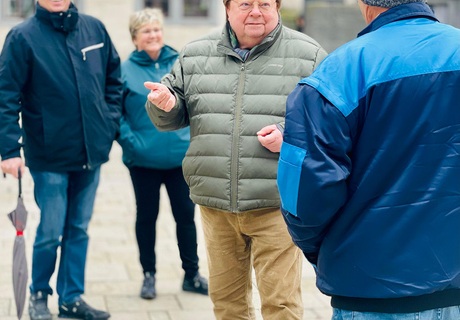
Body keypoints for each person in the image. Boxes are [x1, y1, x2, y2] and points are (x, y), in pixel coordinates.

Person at [144, 0, 327, 318]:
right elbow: (174, 109)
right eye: (245, 3)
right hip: (216, 206)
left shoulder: (308, 54)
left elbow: (329, 119)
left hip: (276, 203)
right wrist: (165, 103)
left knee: (281, 304)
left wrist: (290, 135)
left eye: (265, 4)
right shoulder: (195, 53)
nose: (256, 11)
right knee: (227, 303)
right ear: (227, 9)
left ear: (278, 7)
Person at [278, 0, 460, 318]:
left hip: (373, 288)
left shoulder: (340, 72)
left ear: (364, 4)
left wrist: (327, 251)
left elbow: (304, 191)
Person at [0, 0, 122, 319]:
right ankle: (39, 294)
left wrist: (108, 123)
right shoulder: (22, 37)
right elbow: (4, 96)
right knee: (51, 229)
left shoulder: (95, 28)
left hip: (91, 150)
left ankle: (71, 298)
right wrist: (10, 151)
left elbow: (113, 81)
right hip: (48, 153)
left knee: (78, 227)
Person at [116, 8, 208, 300]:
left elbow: (196, 103)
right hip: (142, 161)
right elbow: (114, 113)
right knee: (147, 217)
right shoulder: (123, 70)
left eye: (157, 29)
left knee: (185, 217)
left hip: (181, 160)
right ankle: (148, 275)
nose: (153, 35)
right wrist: (132, 143)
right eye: (146, 31)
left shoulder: (180, 63)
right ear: (135, 38)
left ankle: (191, 275)